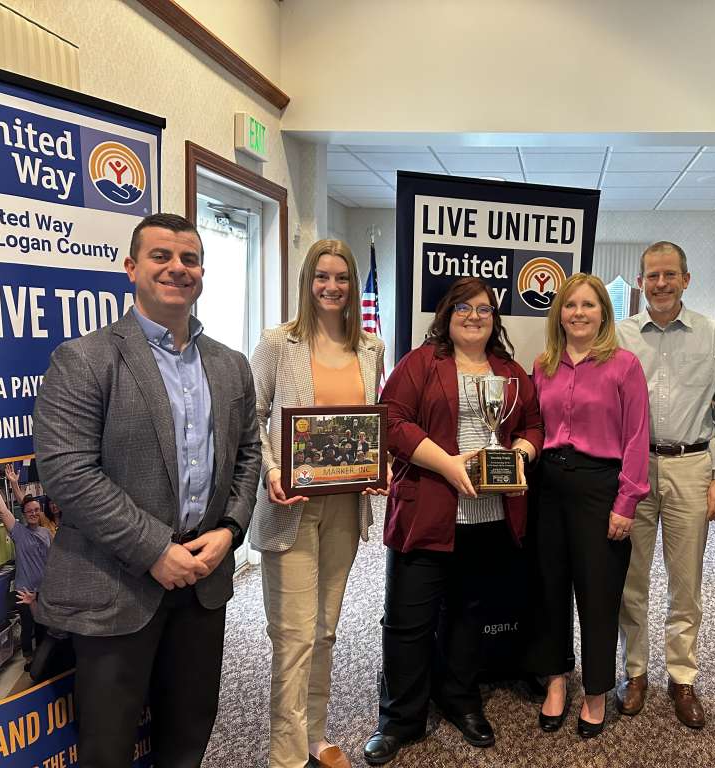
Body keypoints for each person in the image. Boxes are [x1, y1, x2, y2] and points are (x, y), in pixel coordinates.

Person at [32, 212, 261, 768]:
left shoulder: (230, 365)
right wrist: (155, 549)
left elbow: (248, 455)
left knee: (189, 737)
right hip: (117, 581)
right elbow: (68, 472)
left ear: (202, 274)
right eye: (161, 257)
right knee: (107, 748)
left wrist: (230, 531)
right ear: (132, 267)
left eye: (189, 259)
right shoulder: (84, 358)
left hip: (204, 581)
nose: (177, 269)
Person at [363, 277, 542, 765]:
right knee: (408, 620)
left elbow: (532, 424)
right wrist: (448, 463)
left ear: (495, 318)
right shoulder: (421, 364)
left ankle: (460, 699)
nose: (474, 316)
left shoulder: (509, 371)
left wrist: (520, 454)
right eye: (463, 307)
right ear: (446, 314)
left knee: (469, 617)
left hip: (487, 518)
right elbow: (391, 419)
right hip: (428, 512)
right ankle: (400, 718)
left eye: (484, 309)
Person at [250, 238, 386, 768]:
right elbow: (252, 417)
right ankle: (286, 755)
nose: (332, 287)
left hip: (346, 507)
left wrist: (379, 468)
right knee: (292, 635)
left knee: (325, 628)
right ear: (308, 281)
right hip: (291, 507)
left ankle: (315, 735)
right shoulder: (278, 343)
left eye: (342, 278)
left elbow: (369, 426)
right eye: (322, 277)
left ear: (353, 285)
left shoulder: (370, 348)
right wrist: (272, 469)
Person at [614, 241, 715, 727]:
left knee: (685, 582)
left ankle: (682, 677)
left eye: (670, 274)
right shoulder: (621, 336)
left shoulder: (714, 335)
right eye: (653, 276)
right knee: (632, 579)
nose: (662, 283)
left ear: (686, 279)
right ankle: (636, 672)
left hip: (693, 467)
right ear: (641, 281)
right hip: (635, 468)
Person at [529, 274, 649, 738]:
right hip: (549, 485)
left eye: (589, 305)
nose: (578, 313)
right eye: (570, 305)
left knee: (598, 597)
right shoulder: (544, 365)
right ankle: (556, 682)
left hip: (602, 488)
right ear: (559, 312)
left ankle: (596, 691)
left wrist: (627, 501)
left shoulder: (624, 365)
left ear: (604, 312)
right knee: (549, 591)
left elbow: (637, 438)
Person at [0, 467, 51, 666]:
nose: (33, 513)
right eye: (29, 511)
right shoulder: (18, 532)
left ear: (40, 511)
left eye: (36, 510)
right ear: (23, 514)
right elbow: (2, 510)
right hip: (24, 590)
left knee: (43, 627)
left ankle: (41, 661)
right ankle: (29, 658)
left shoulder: (46, 532)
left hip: (45, 591)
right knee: (28, 626)